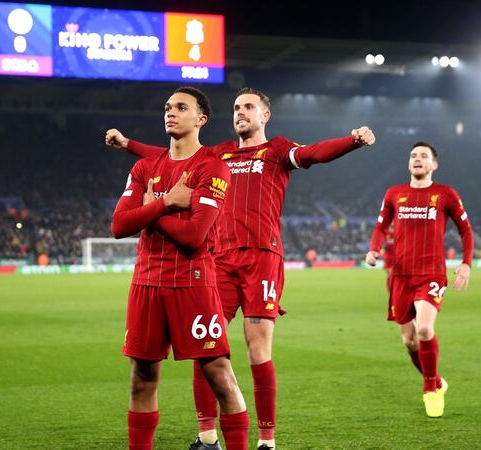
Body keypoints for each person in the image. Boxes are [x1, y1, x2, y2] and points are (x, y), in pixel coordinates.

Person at [107, 87, 376, 450]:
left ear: (265, 115)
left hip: (262, 256)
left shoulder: (277, 149)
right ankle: (206, 436)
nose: (241, 112)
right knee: (206, 352)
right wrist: (129, 145)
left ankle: (266, 440)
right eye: (236, 107)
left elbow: (313, 153)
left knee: (256, 346)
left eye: (249, 107)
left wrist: (352, 141)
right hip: (218, 258)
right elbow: (168, 155)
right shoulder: (219, 154)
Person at [111, 87, 249, 450]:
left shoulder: (212, 167)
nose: (170, 113)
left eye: (181, 107)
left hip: (194, 283)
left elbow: (193, 234)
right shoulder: (144, 167)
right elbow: (119, 226)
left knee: (219, 375)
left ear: (200, 119)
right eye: (168, 107)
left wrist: (150, 209)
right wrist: (167, 203)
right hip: (146, 282)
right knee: (142, 378)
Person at [365, 141, 473, 418]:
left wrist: (466, 264)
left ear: (434, 164)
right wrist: (374, 249)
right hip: (400, 276)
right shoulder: (394, 194)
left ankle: (429, 389)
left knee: (424, 329)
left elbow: (466, 230)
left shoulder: (445, 194)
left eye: (423, 156)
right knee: (409, 341)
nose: (417, 159)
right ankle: (437, 381)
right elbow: (380, 226)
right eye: (413, 155)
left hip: (431, 273)